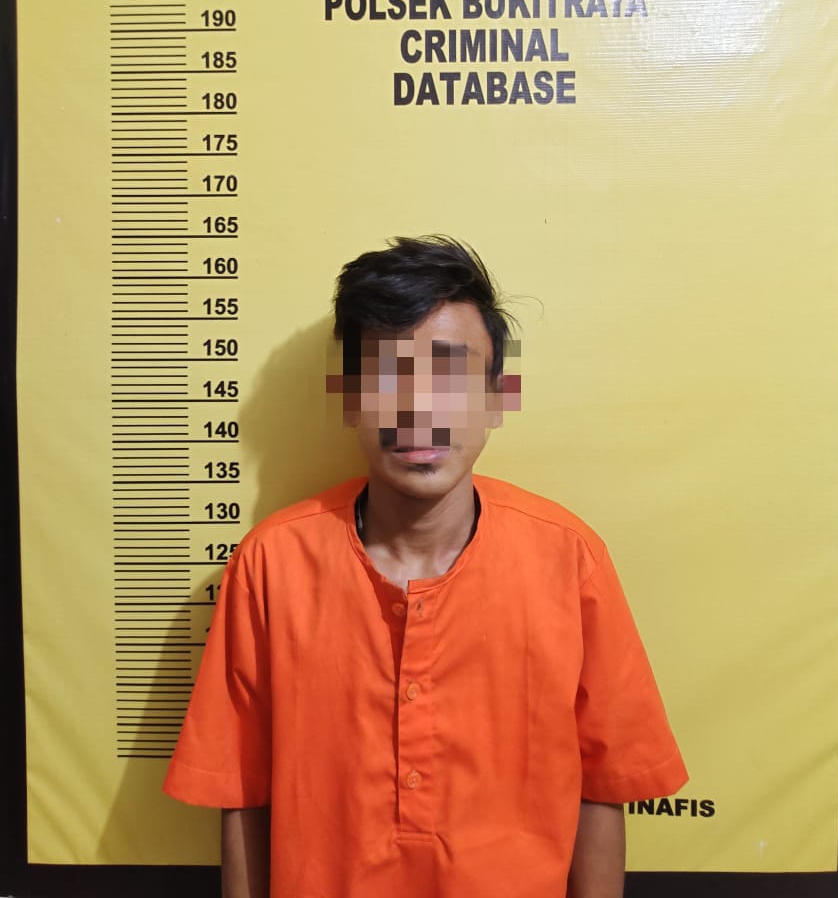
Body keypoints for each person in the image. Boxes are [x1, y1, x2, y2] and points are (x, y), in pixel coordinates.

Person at [164, 235, 687, 898]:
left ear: (497, 399)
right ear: (350, 399)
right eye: (387, 375)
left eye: (451, 375)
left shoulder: (569, 559)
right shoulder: (272, 564)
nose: (418, 408)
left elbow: (603, 785)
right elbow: (240, 794)